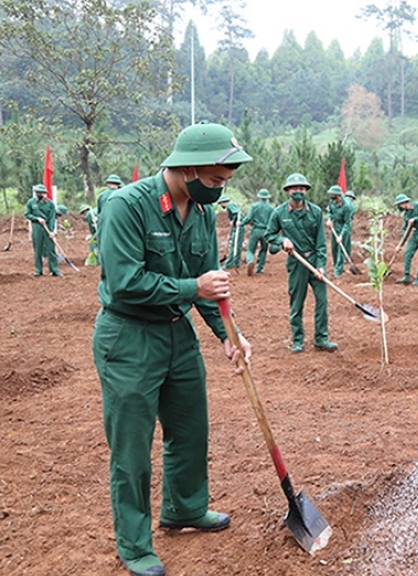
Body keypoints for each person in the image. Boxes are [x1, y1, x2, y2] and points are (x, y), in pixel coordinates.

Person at [92, 122, 253, 576]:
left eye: (226, 182)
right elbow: (124, 284)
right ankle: (135, 545)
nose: (220, 190)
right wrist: (192, 287)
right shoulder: (127, 206)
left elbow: (210, 284)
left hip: (176, 335)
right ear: (186, 168)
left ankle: (184, 508)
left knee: (190, 430)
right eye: (216, 180)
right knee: (132, 448)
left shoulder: (201, 214)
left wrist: (229, 334)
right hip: (128, 338)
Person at [265, 173, 338, 353]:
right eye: (294, 189)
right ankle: (297, 340)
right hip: (296, 263)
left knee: (322, 301)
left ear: (305, 190)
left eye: (301, 188)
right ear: (288, 191)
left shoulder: (315, 212)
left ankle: (321, 339)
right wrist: (282, 241)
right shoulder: (279, 213)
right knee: (296, 303)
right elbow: (269, 236)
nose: (298, 191)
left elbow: (321, 243)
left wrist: (321, 266)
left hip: (314, 260)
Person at [393, 193, 418, 286]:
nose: (399, 207)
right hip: (416, 234)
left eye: (399, 204)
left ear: (404, 203)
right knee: (407, 253)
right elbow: (405, 230)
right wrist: (400, 245)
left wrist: (415, 219)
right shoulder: (406, 215)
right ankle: (407, 275)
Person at [24, 184, 61, 276]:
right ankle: (38, 270)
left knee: (51, 249)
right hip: (37, 227)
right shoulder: (31, 202)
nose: (39, 194)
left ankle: (54, 270)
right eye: (38, 192)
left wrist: (52, 231)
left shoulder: (50, 204)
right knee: (38, 249)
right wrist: (37, 218)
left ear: (45, 193)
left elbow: (52, 218)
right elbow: (27, 214)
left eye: (41, 192)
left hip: (47, 226)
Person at [241, 188, 273, 275]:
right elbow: (273, 221)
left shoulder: (254, 206)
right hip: (266, 232)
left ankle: (250, 260)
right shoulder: (271, 208)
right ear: (267, 198)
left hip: (255, 230)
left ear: (259, 197)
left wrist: (241, 223)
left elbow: (248, 218)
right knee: (263, 249)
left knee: (250, 250)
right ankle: (260, 268)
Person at [325, 185, 354, 277]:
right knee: (334, 247)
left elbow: (347, 222)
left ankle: (338, 270)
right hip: (335, 225)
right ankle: (335, 264)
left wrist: (341, 235)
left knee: (341, 248)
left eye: (334, 196)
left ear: (339, 196)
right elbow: (330, 212)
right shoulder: (332, 202)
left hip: (344, 227)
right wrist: (329, 219)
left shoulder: (347, 206)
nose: (332, 198)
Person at [217, 195, 244, 269]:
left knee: (234, 245)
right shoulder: (231, 205)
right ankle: (236, 263)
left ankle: (229, 264)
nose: (221, 205)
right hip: (237, 227)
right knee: (237, 245)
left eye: (221, 204)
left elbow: (238, 213)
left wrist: (234, 220)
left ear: (223, 202)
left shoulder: (230, 205)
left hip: (238, 227)